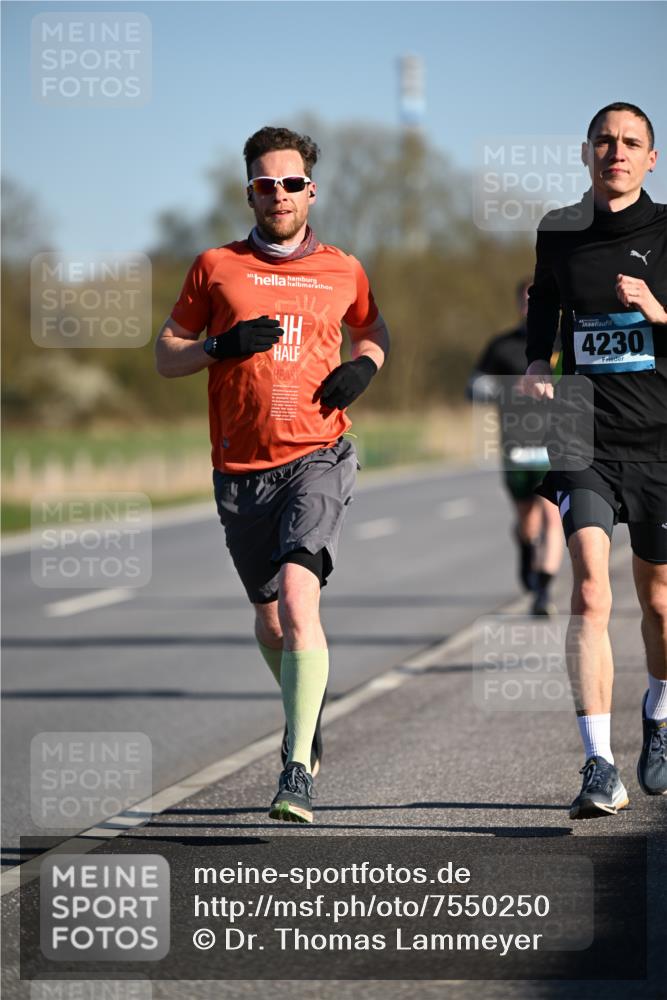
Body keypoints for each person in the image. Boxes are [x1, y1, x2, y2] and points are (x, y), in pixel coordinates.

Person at [155, 126, 389, 824]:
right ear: (249, 192)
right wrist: (217, 346)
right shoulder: (214, 267)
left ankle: (295, 767)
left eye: (290, 184)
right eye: (265, 184)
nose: (278, 195)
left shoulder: (343, 268)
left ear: (310, 191)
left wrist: (363, 367)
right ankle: (304, 709)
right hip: (239, 470)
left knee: (296, 598)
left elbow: (373, 331)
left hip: (316, 455)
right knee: (268, 619)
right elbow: (167, 355)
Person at [522, 103, 667, 818]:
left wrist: (658, 311)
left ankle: (658, 712)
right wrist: (531, 362)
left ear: (651, 158)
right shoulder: (558, 230)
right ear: (585, 153)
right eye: (604, 141)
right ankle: (598, 765)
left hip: (660, 439)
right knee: (588, 590)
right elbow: (542, 306)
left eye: (630, 142)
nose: (616, 151)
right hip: (582, 435)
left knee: (660, 602)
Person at [467, 279, 563, 614]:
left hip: (557, 443)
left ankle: (543, 591)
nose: (530, 307)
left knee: (554, 516)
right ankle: (525, 548)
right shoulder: (502, 346)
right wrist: (497, 390)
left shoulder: (566, 341)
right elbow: (474, 384)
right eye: (525, 301)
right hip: (517, 445)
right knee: (528, 519)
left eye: (536, 301)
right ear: (518, 306)